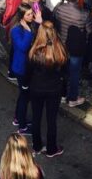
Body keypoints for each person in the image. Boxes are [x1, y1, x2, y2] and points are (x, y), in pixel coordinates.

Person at [26, 21, 67, 158]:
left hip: (36, 88)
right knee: (51, 120)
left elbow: (28, 71)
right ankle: (51, 149)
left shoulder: (34, 51)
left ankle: (36, 146)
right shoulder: (60, 49)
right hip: (54, 89)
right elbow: (65, 73)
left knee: (36, 117)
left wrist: (26, 85)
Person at [52, 0, 92, 107]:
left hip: (62, 45)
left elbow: (54, 22)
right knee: (74, 74)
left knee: (63, 71)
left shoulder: (59, 8)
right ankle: (72, 98)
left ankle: (62, 95)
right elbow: (90, 30)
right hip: (77, 48)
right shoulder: (84, 13)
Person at [10, 3, 35, 133]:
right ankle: (22, 126)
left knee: (24, 95)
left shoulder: (27, 25)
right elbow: (23, 47)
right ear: (21, 16)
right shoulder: (16, 30)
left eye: (32, 13)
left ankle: (18, 118)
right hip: (21, 68)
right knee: (25, 96)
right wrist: (29, 32)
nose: (32, 16)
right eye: (28, 14)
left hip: (26, 67)